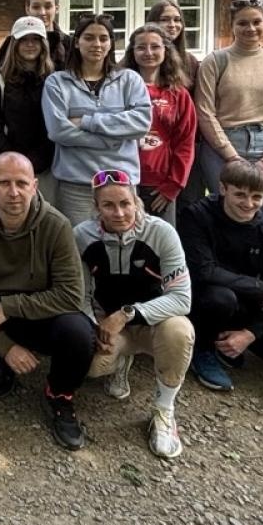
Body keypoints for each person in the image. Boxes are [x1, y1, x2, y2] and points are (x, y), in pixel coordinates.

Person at [0, 154, 98, 451]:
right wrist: (7, 348)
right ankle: (11, 370)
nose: (13, 192)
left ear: (34, 185)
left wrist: (9, 307)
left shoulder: (56, 225)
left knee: (80, 334)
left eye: (21, 183)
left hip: (44, 313)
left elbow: (70, 293)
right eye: (4, 183)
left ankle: (60, 394)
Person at [74, 171, 194, 459]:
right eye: (109, 206)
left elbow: (182, 298)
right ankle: (121, 361)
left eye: (126, 203)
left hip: (154, 323)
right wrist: (94, 327)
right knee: (89, 362)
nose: (119, 213)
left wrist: (128, 314)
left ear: (136, 201)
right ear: (96, 208)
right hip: (110, 325)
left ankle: (164, 410)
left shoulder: (162, 232)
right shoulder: (82, 236)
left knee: (179, 331)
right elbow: (80, 294)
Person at [177, 160, 263, 392]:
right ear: (223, 189)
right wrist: (261, 288)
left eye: (256, 197)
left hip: (246, 301)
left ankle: (231, 342)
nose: (248, 204)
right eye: (240, 195)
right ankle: (203, 350)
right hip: (205, 295)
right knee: (221, 298)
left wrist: (251, 333)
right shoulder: (197, 215)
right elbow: (203, 270)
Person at [42, 13, 153, 227]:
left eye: (103, 38)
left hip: (122, 185)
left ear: (111, 44)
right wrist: (112, 139)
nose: (97, 44)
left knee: (124, 246)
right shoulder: (57, 83)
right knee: (80, 250)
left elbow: (141, 123)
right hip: (76, 187)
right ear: (76, 42)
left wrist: (87, 122)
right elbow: (58, 131)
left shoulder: (130, 80)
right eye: (89, 37)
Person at [194, 0, 263, 220]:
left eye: (256, 22)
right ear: (232, 26)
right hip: (223, 147)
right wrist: (231, 157)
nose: (250, 28)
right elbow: (205, 111)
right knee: (230, 216)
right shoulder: (215, 61)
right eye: (242, 23)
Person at [122, 23, 195, 224]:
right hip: (124, 181)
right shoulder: (118, 89)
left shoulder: (179, 94)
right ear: (132, 52)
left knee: (159, 245)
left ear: (166, 50)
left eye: (155, 47)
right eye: (141, 47)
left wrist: (173, 185)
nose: (148, 52)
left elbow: (185, 143)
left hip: (160, 186)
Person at [0, 16, 59, 206]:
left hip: (45, 168)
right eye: (24, 39)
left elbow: (55, 126)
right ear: (14, 43)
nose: (30, 45)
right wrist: (13, 163)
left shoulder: (54, 79)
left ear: (43, 44)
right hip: (7, 166)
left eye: (35, 39)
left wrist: (35, 163)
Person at [0, 0, 71, 75]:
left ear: (56, 8)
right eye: (36, 7)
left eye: (48, 7)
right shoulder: (14, 40)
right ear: (27, 9)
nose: (42, 12)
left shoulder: (68, 44)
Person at [147, 0, 199, 87]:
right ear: (152, 23)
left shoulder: (190, 62)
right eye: (164, 20)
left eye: (177, 20)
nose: (172, 25)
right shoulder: (141, 58)